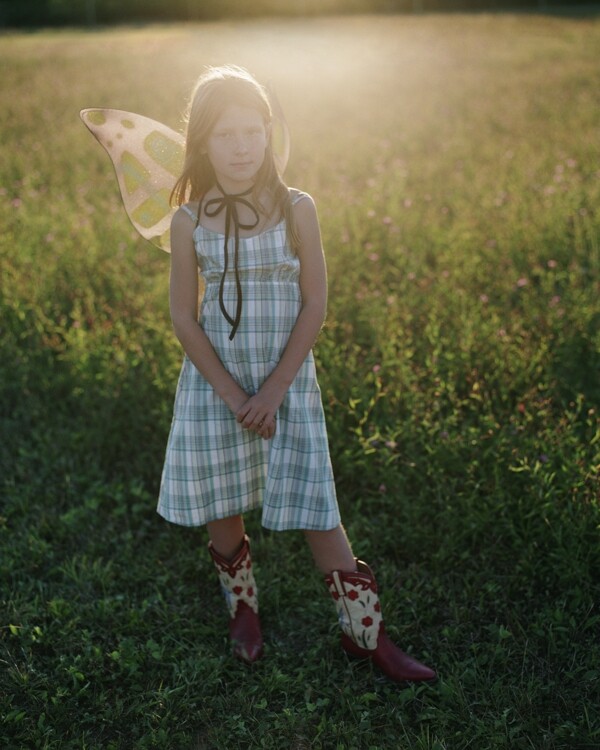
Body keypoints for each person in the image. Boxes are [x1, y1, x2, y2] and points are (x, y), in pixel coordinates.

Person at [157, 65, 435, 683]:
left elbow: (315, 303)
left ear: (269, 133)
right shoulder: (187, 221)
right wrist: (233, 394)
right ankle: (244, 612)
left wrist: (275, 387)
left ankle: (366, 636)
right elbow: (182, 315)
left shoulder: (297, 207)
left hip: (286, 381)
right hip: (216, 385)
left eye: (252, 130)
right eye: (226, 134)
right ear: (201, 141)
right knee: (222, 496)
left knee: (316, 501)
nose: (241, 147)